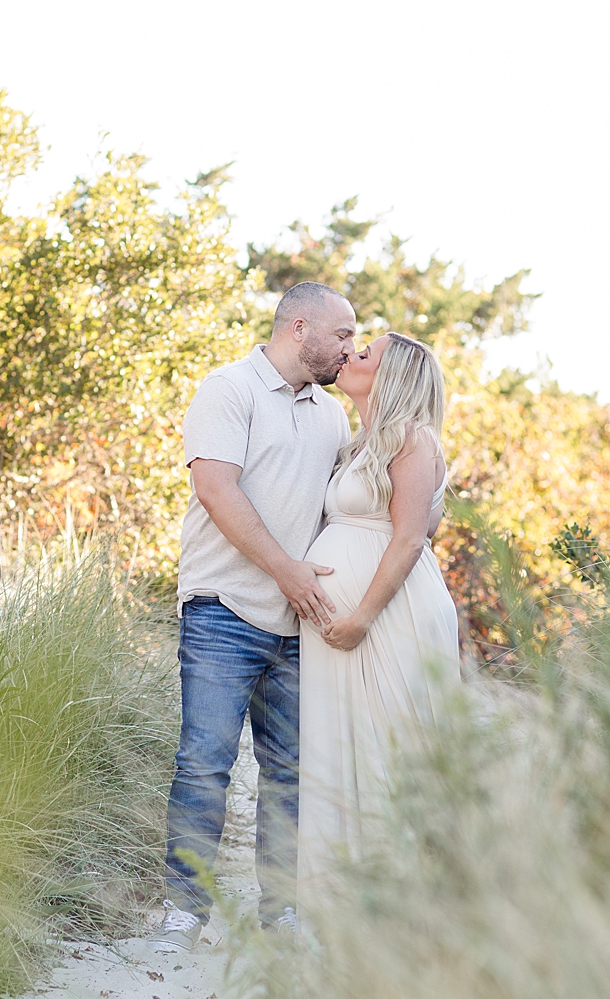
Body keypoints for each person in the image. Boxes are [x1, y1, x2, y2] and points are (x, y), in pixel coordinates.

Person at [149, 282, 356, 952]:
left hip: (300, 625)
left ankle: (282, 916)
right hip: (223, 609)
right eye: (344, 335)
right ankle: (182, 914)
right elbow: (215, 489)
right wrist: (285, 570)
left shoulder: (331, 417)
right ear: (302, 328)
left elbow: (342, 508)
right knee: (205, 763)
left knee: (291, 772)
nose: (350, 349)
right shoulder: (227, 389)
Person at [296, 332, 459, 911]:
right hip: (342, 627)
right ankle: (338, 900)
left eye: (365, 354)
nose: (350, 355)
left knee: (390, 748)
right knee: (340, 747)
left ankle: (401, 905)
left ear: (391, 378)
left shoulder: (413, 441)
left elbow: (411, 536)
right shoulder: (361, 443)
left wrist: (362, 615)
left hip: (391, 617)